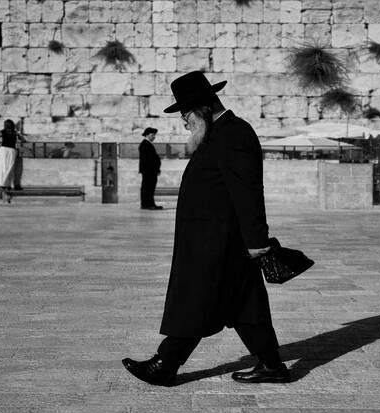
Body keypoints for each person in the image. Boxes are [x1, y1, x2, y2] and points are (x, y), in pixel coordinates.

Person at [122, 71, 289, 387]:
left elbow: (248, 192)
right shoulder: (217, 134)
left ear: (201, 107)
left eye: (185, 112)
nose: (184, 120)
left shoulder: (234, 135)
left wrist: (256, 240)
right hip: (212, 240)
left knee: (197, 298)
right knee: (244, 303)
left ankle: (166, 364)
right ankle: (271, 365)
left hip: (222, 243)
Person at [0, 119, 27, 196]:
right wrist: (18, 134)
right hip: (12, 151)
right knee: (9, 168)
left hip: (3, 150)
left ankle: (1, 185)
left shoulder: (3, 132)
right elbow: (24, 140)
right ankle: (7, 185)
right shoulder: (15, 133)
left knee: (1, 167)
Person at [139, 127, 162, 210]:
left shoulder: (147, 144)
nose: (154, 137)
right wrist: (154, 169)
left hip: (151, 171)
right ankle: (147, 204)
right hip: (149, 171)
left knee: (150, 188)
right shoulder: (145, 144)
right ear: (147, 135)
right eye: (152, 135)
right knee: (148, 188)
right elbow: (149, 160)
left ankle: (150, 203)